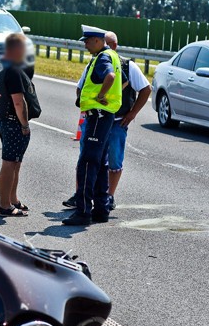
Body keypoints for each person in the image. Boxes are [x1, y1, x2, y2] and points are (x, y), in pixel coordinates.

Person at [63, 31, 151, 210]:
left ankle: (108, 197)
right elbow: (81, 87)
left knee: (113, 161)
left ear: (113, 46)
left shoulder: (125, 65)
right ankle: (82, 194)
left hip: (116, 121)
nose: (107, 49)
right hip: (94, 120)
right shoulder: (95, 62)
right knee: (87, 159)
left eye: (109, 45)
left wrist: (132, 113)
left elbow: (146, 89)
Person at [62, 25, 122, 226]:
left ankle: (83, 211)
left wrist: (101, 95)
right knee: (101, 163)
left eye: (87, 41)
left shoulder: (103, 57)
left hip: (98, 115)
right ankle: (101, 210)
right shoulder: (111, 55)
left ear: (97, 40)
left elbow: (110, 76)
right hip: (105, 116)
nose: (85, 45)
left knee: (87, 162)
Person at [0, 34, 34, 217]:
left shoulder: (0, 64)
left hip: (3, 119)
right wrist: (25, 125)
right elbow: (19, 102)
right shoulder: (13, 69)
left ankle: (13, 199)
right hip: (13, 122)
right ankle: (4, 205)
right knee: (9, 163)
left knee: (15, 162)